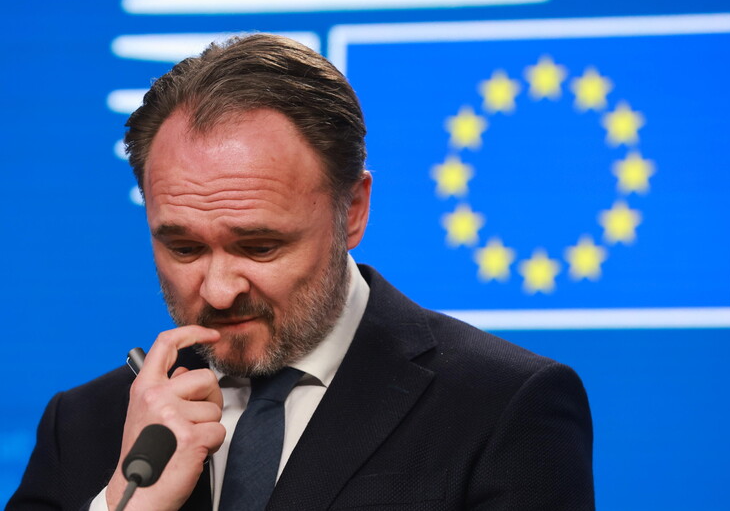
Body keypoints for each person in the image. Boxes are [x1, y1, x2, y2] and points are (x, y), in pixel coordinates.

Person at [7, 34, 594, 510]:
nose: (218, 290)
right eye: (184, 248)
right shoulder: (84, 425)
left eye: (260, 246)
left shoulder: (501, 407)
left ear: (352, 211)